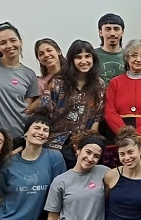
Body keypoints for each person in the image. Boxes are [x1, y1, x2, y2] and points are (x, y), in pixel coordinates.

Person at [38, 40, 106, 168]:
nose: (83, 61)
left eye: (87, 56)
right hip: (55, 143)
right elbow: (44, 112)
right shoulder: (58, 82)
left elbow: (97, 118)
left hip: (83, 145)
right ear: (71, 60)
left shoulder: (99, 85)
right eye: (78, 57)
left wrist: (87, 143)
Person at [103, 38, 141, 173]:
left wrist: (138, 136)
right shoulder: (115, 83)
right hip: (118, 140)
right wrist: (126, 135)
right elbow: (109, 112)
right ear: (126, 58)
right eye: (134, 55)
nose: (139, 59)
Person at [0, 22, 39, 141]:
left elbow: (27, 106)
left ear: (21, 42)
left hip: (18, 134)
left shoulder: (29, 74)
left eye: (13, 40)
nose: (9, 45)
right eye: (3, 43)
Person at [95, 12, 126, 82]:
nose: (112, 33)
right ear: (100, 32)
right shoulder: (91, 56)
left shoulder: (129, 56)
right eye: (108, 29)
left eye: (116, 29)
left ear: (122, 32)